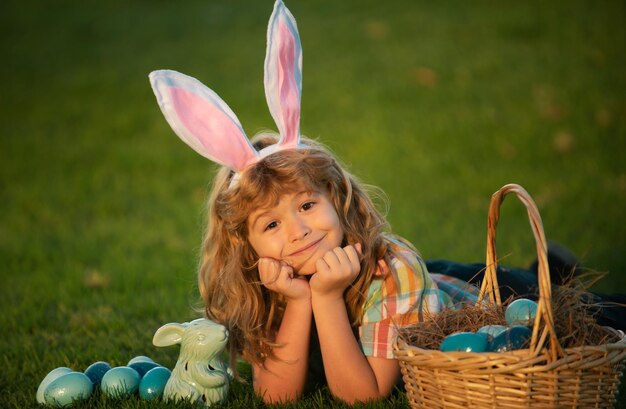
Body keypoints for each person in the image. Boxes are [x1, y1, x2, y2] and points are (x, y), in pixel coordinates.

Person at [148, 0, 624, 404]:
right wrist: (300, 300)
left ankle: (560, 275)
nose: (297, 232)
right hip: (424, 281)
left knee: (567, 311)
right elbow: (275, 396)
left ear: (335, 198)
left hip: (446, 292)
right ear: (246, 244)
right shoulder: (266, 282)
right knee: (466, 276)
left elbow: (363, 393)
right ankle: (561, 269)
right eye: (270, 226)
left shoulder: (390, 272)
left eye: (307, 206)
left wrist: (328, 296)